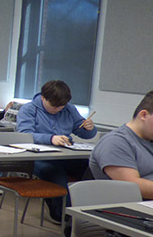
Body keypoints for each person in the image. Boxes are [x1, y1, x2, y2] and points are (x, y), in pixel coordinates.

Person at [16, 80, 96, 222]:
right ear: (43, 97)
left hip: (66, 156)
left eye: (61, 106)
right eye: (54, 106)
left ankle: (86, 211)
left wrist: (90, 128)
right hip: (39, 158)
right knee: (56, 175)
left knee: (92, 168)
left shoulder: (69, 109)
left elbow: (85, 133)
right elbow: (24, 136)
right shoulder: (28, 109)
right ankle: (64, 216)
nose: (58, 109)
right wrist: (50, 139)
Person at [90, 91, 153, 198]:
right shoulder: (115, 142)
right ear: (143, 115)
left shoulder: (149, 139)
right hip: (128, 208)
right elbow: (133, 187)